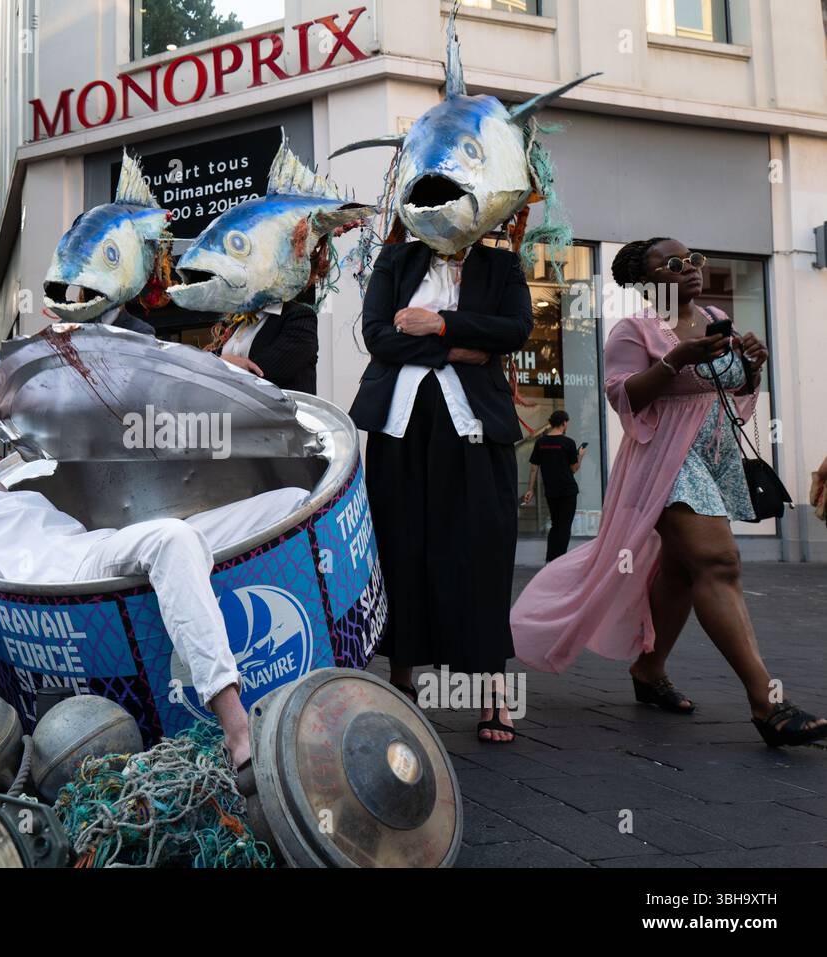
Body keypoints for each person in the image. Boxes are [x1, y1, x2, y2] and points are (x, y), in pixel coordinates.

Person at [511, 238, 825, 747]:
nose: (691, 269)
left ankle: (649, 669)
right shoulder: (632, 330)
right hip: (665, 459)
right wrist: (675, 359)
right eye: (674, 265)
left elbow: (733, 389)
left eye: (694, 259)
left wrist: (753, 365)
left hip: (713, 455)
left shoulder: (715, 316)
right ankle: (768, 703)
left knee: (681, 569)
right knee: (719, 561)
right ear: (646, 281)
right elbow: (623, 397)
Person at [0, 429, 310, 768]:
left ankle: (319, 675)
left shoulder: (21, 492)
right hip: (73, 578)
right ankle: (236, 726)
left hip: (101, 548)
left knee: (287, 502)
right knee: (172, 538)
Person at [350, 238, 534, 743]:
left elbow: (515, 330)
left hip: (477, 424)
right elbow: (378, 336)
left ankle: (493, 692)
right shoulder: (396, 260)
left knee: (482, 550)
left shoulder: (501, 264)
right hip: (398, 425)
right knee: (399, 545)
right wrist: (456, 350)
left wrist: (439, 323)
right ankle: (401, 680)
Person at [210, 299, 319, 394]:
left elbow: (265, 374)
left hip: (279, 409)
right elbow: (208, 363)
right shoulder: (241, 319)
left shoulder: (300, 316)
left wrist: (222, 364)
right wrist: (223, 361)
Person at [522, 410, 586, 561]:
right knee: (564, 528)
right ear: (564, 423)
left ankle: (550, 561)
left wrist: (530, 489)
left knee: (556, 526)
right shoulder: (568, 443)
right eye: (567, 423)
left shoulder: (540, 443)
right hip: (567, 491)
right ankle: (558, 563)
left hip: (551, 491)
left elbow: (534, 468)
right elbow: (574, 468)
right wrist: (580, 456)